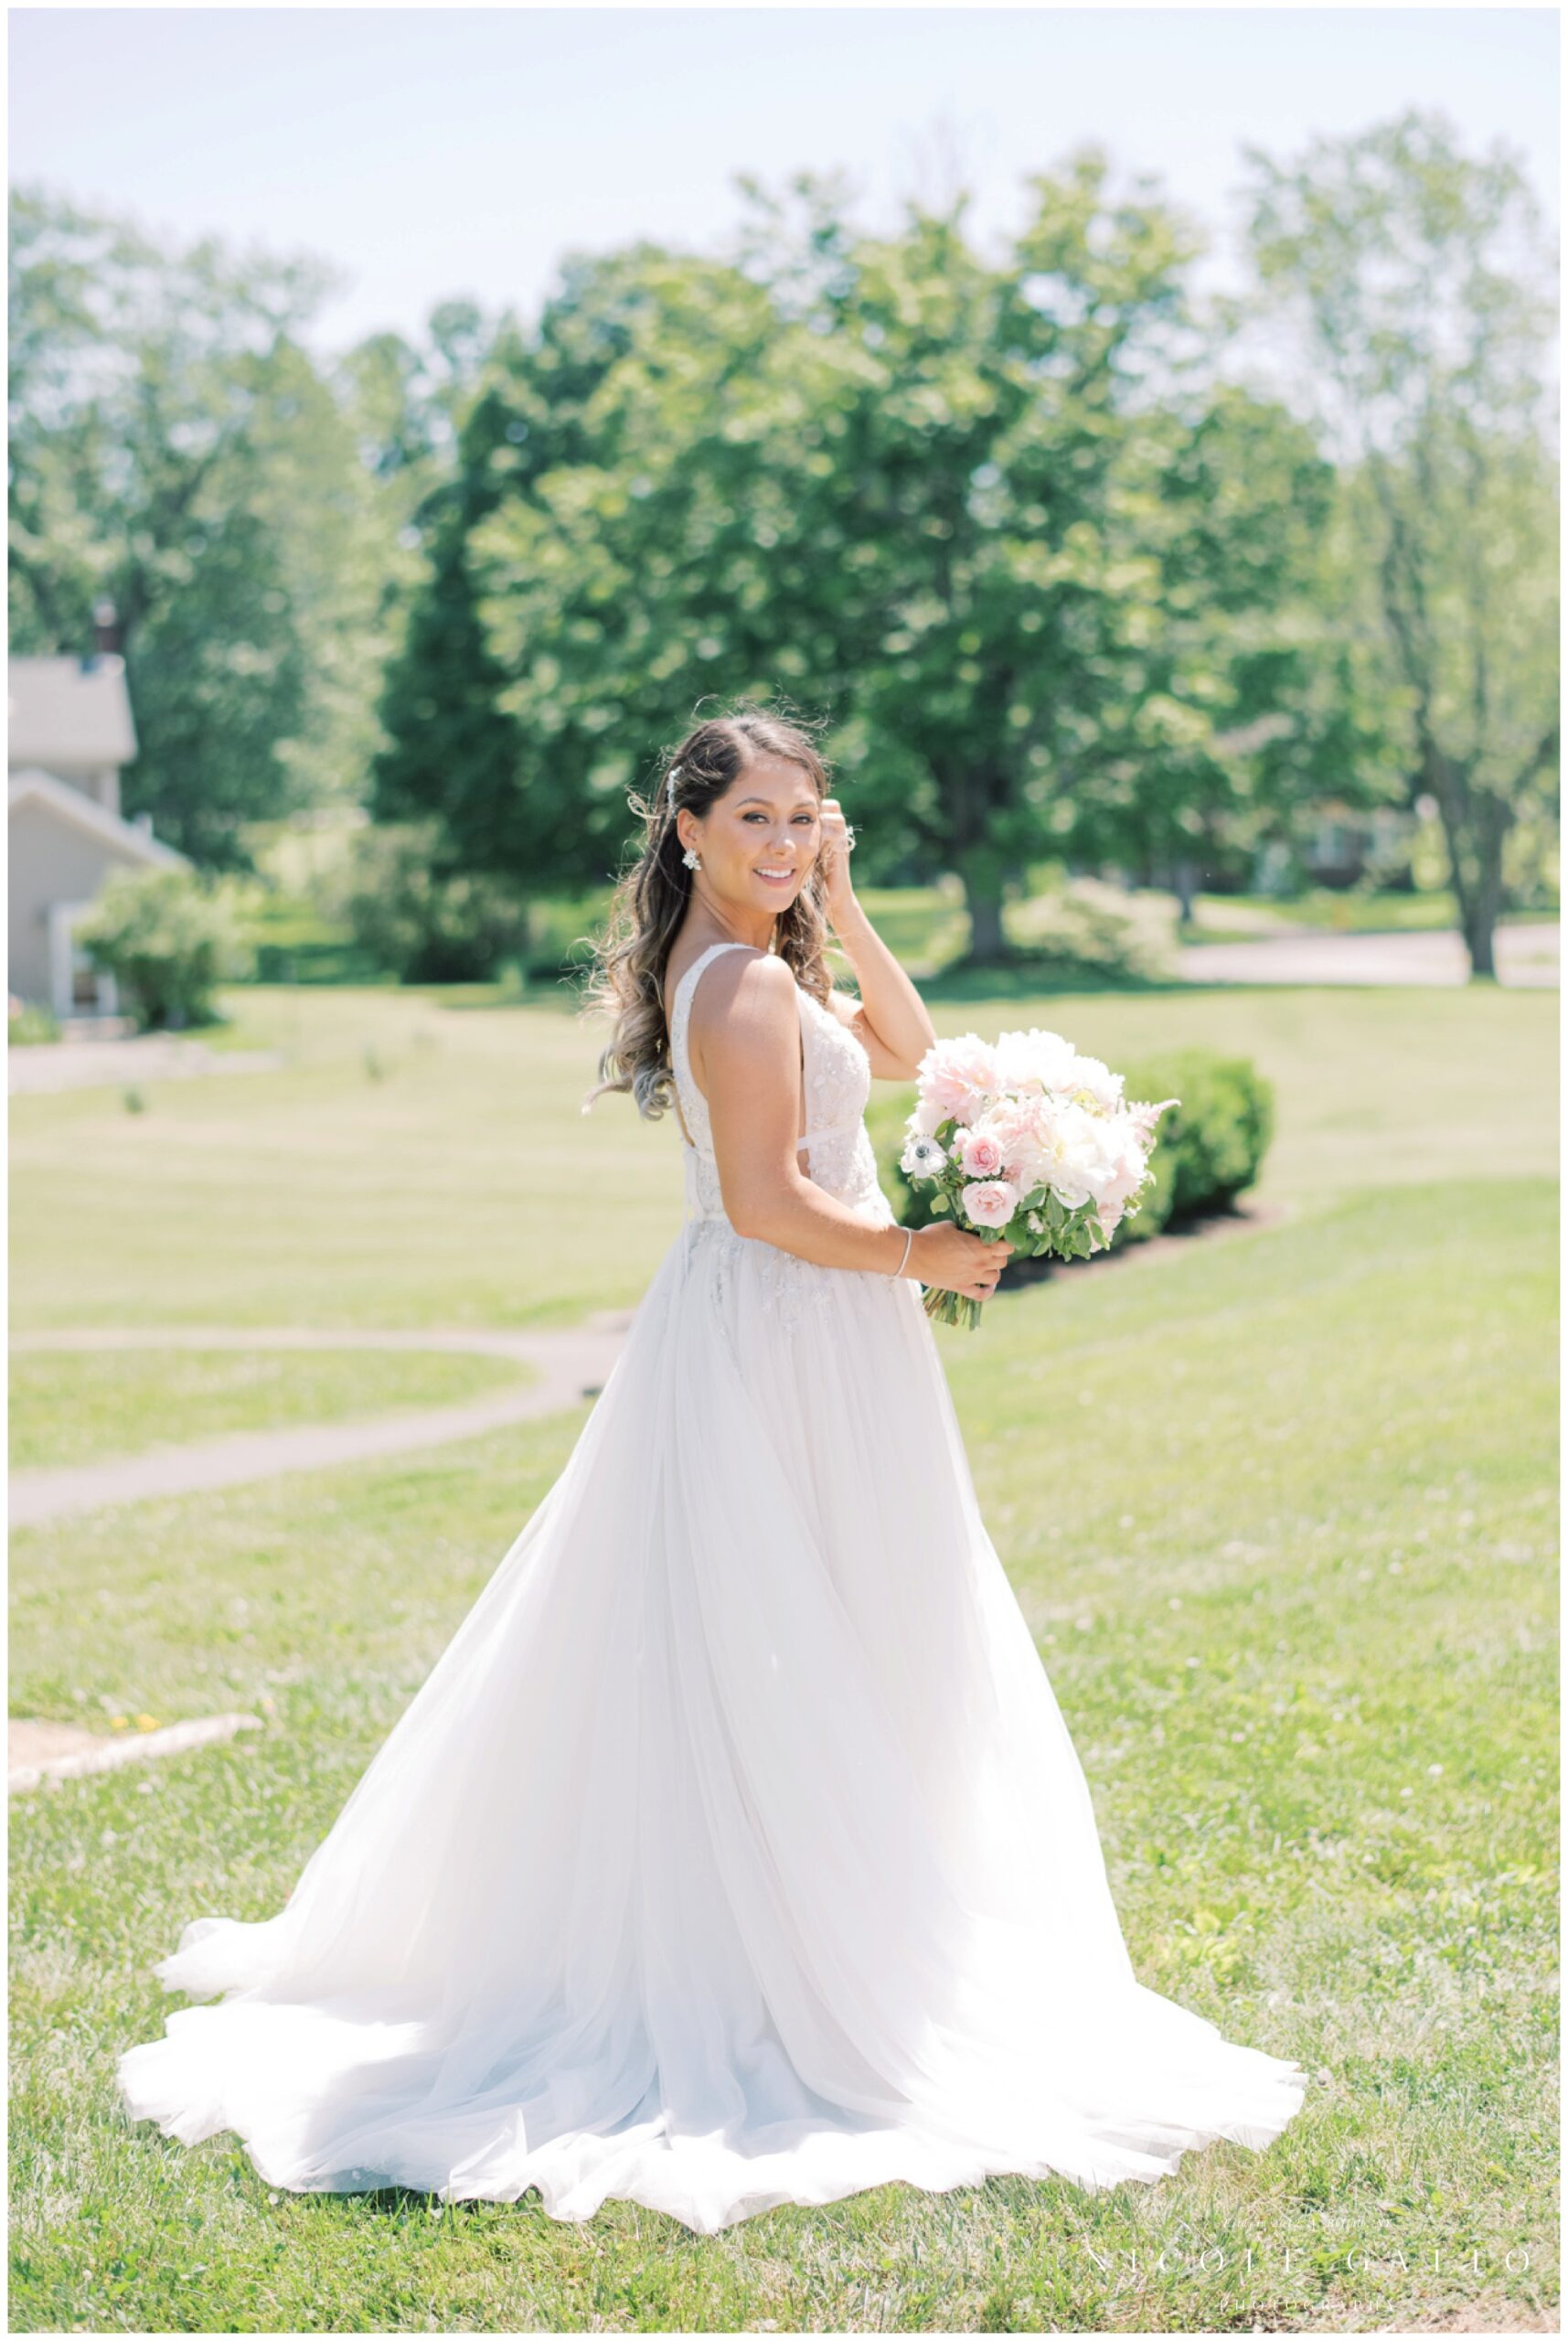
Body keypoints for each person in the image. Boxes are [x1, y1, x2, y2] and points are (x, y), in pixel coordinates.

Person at [117, 707, 1307, 2235]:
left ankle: (836, 1911)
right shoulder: (737, 986)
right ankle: (776, 1955)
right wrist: (917, 1251)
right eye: (756, 818)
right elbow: (765, 1204)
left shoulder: (775, 957)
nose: (785, 843)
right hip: (782, 1327)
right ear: (685, 828)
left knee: (831, 1626)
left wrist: (849, 908)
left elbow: (909, 1054)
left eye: (807, 817)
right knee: (786, 1628)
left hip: (813, 1333)